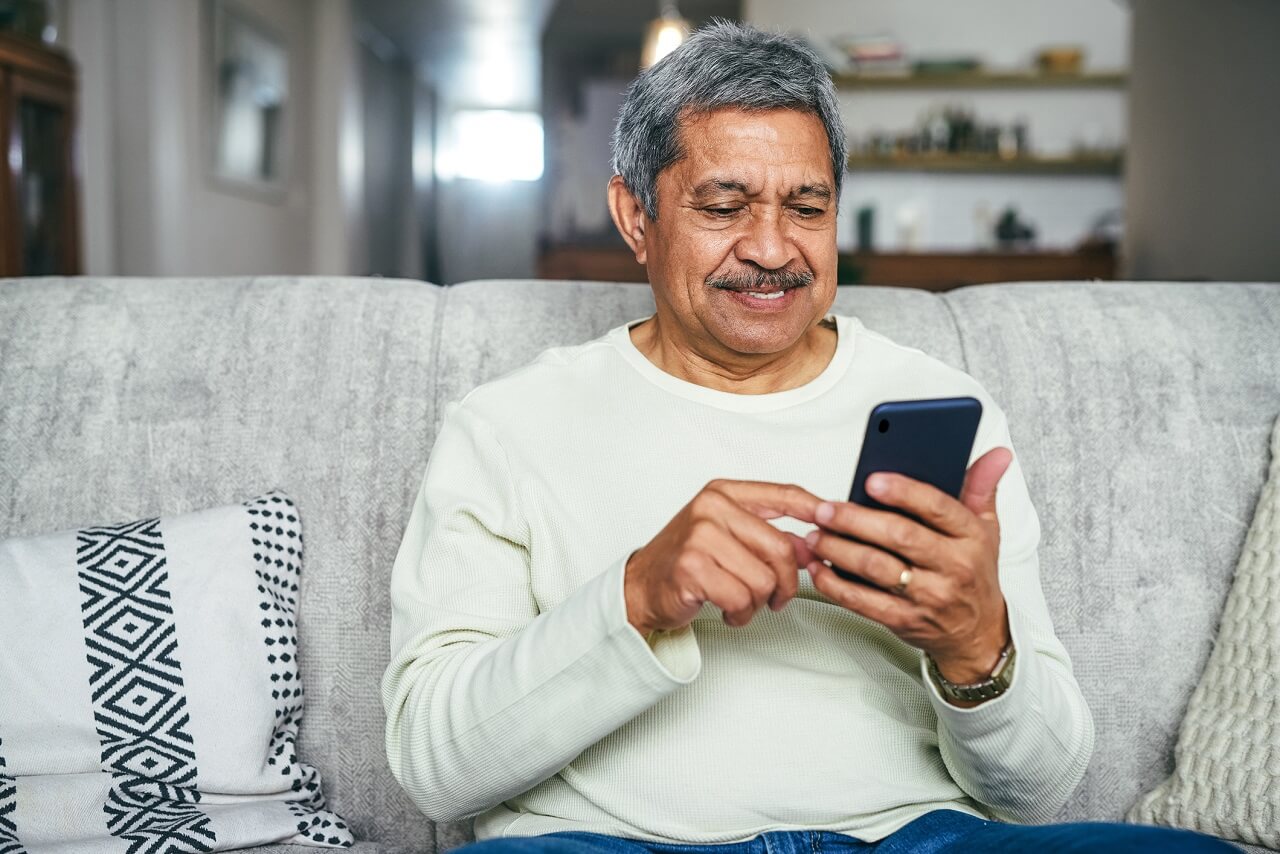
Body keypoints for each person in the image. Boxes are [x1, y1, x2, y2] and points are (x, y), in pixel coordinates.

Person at [381, 19, 1238, 854]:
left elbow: (1041, 788)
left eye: (807, 206)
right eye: (723, 206)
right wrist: (636, 598)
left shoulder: (941, 407)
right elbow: (435, 768)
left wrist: (977, 650)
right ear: (635, 217)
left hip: (914, 839)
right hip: (611, 842)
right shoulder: (506, 426)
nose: (772, 248)